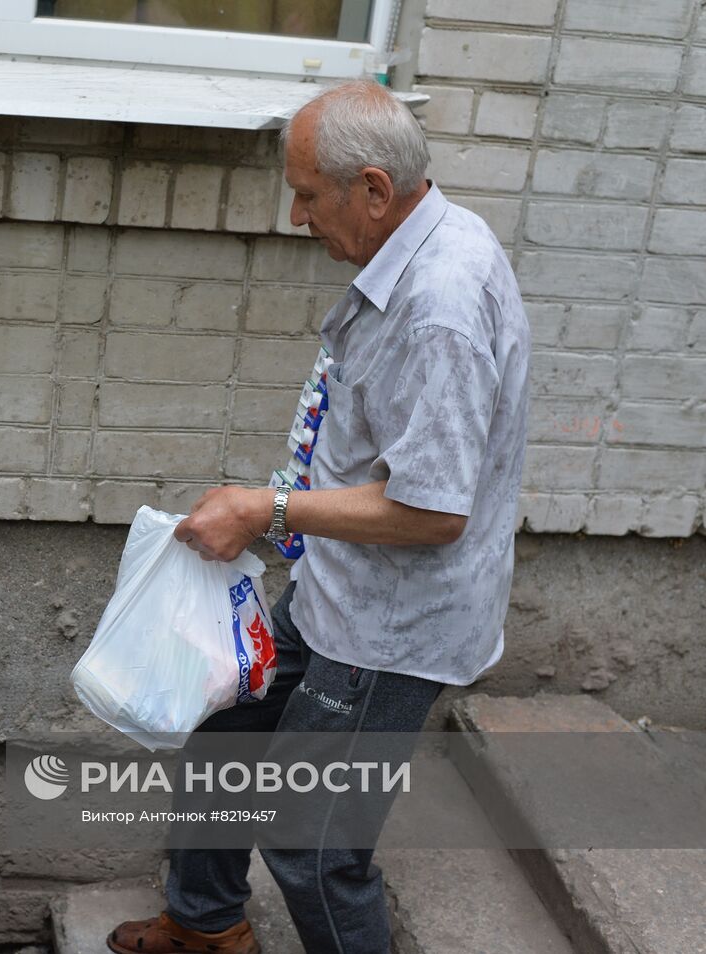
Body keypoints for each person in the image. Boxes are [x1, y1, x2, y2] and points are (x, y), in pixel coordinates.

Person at [108, 80, 530, 954]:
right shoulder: (421, 245)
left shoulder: (440, 304)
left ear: (373, 190)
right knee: (224, 723)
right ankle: (206, 924)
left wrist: (266, 507)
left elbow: (433, 511)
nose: (297, 216)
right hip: (339, 584)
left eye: (307, 195)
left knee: (312, 844)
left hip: (388, 627)